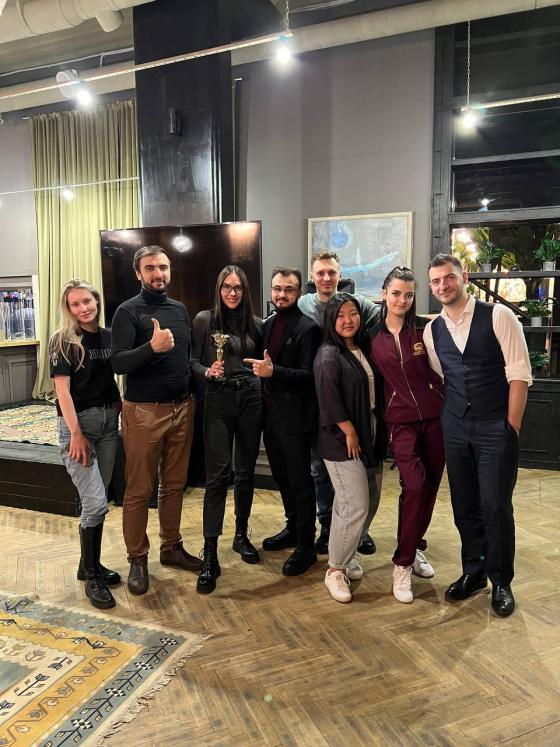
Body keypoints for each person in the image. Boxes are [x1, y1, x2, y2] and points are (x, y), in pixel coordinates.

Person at [424, 254, 532, 617]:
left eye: (449, 278)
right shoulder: (432, 330)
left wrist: (510, 426)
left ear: (464, 277)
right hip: (455, 427)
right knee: (464, 505)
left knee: (496, 506)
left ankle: (501, 581)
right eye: (436, 281)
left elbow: (519, 375)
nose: (443, 285)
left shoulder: (499, 316)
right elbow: (445, 375)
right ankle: (474, 571)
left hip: (494, 426)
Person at [111, 245, 201, 595]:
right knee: (139, 490)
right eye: (150, 268)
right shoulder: (127, 311)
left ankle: (171, 547)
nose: (157, 273)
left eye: (163, 267)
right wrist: (152, 347)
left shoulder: (179, 309)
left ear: (170, 270)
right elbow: (118, 363)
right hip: (144, 412)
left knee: (174, 485)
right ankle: (137, 558)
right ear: (138, 273)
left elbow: (186, 358)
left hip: (182, 408)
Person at [369, 267, 445, 604]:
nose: (402, 300)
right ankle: (402, 565)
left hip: (435, 419)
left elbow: (443, 370)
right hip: (399, 423)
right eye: (396, 293)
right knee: (414, 485)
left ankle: (413, 547)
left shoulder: (426, 330)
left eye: (409, 295)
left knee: (429, 488)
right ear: (384, 294)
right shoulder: (371, 336)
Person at [299, 250, 381, 556]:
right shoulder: (304, 305)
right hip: (320, 404)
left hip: (354, 406)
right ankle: (329, 530)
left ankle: (356, 535)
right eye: (320, 273)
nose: (326, 277)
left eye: (331, 272)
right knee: (322, 473)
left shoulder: (359, 307)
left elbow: (386, 313)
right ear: (312, 276)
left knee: (358, 491)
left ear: (339, 274)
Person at [244, 267, 322, 576]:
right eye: (277, 288)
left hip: (296, 420)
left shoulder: (309, 328)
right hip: (270, 417)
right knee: (283, 478)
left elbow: (309, 376)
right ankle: (293, 528)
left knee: (300, 482)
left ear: (299, 292)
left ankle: (306, 546)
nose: (281, 294)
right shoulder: (267, 324)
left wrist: (274, 372)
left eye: (289, 289)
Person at [191, 265, 264, 594]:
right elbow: (191, 361)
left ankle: (240, 536)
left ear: (245, 291)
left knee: (245, 472)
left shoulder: (257, 324)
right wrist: (207, 371)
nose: (232, 293)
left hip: (250, 398)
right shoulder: (204, 320)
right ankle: (210, 553)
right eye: (227, 287)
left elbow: (262, 363)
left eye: (238, 288)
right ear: (219, 289)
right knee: (218, 477)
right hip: (218, 398)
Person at [50, 279, 121, 609]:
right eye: (75, 304)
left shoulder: (108, 336)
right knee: (95, 504)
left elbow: (111, 377)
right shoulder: (63, 340)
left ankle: (87, 565)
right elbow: (62, 391)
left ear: (97, 301)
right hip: (79, 428)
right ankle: (92, 576)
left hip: (108, 425)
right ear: (68, 309)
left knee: (98, 500)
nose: (83, 308)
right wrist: (76, 434)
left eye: (87, 301)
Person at [313, 293, 384, 603]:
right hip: (343, 440)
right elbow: (328, 398)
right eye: (340, 315)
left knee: (368, 500)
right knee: (354, 504)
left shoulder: (362, 348)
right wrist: (349, 430)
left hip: (370, 434)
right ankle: (335, 569)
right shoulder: (328, 355)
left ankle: (347, 553)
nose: (347, 320)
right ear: (331, 320)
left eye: (352, 313)